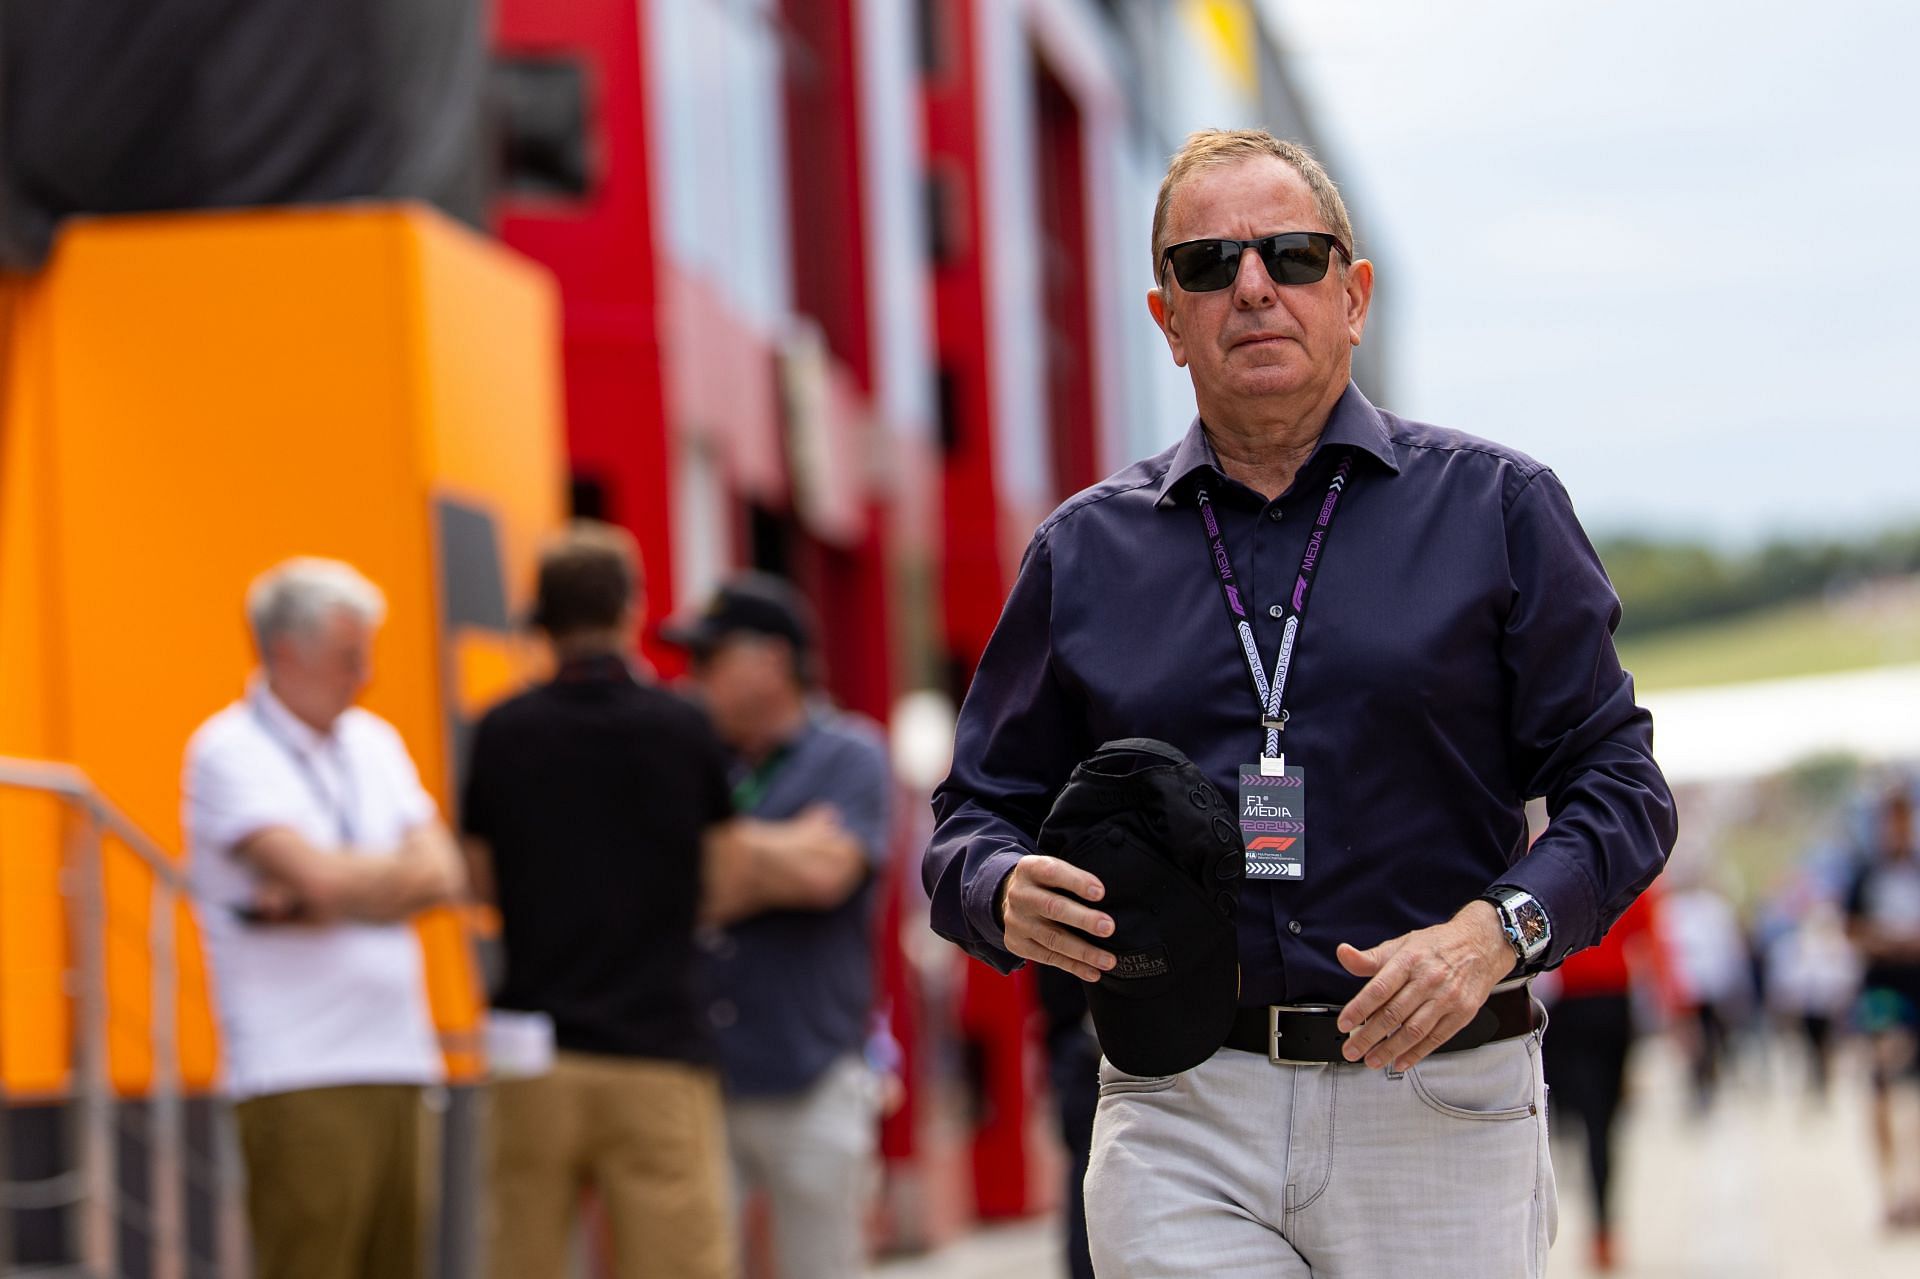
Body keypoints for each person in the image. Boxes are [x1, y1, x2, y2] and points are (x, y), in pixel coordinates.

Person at [923, 129, 1677, 1277]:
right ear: (1166, 316)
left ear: (1354, 293)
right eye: (1209, 264)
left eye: (1292, 253)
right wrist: (995, 885)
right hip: (1180, 1105)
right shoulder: (1081, 554)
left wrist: (1496, 936)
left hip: (1438, 1097)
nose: (1255, 287)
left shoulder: (1501, 511)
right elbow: (974, 811)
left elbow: (1621, 788)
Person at [461, 523, 736, 1279]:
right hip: (657, 1047)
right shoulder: (683, 725)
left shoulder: (501, 730)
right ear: (631, 609)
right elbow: (723, 875)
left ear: (541, 620)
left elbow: (480, 882)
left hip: (534, 1054)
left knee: (524, 1258)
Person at [185, 557, 465, 1279]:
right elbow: (321, 874)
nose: (365, 673)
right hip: (297, 1065)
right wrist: (371, 883)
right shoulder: (228, 749)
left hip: (399, 1054)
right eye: (349, 656)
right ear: (287, 651)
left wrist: (331, 891)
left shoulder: (374, 742)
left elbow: (444, 871)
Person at [666, 573, 893, 1279]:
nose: (692, 677)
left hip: (814, 1069)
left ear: (771, 660)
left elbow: (826, 876)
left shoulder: (850, 753)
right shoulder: (691, 755)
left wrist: (711, 854)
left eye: (710, 658)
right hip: (702, 1076)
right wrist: (785, 845)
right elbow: (660, 885)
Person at [1541, 887, 1670, 1273]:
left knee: (1576, 1123)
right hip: (1603, 1008)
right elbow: (1651, 949)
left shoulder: (1544, 857)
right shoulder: (1624, 856)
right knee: (1600, 1126)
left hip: (1577, 1009)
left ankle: (1586, 1225)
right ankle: (1601, 1228)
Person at [1842, 785, 1920, 1227]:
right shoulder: (1866, 874)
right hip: (1882, 993)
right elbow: (1849, 930)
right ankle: (1892, 1189)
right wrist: (1886, 941)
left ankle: (1913, 1188)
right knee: (1884, 1092)